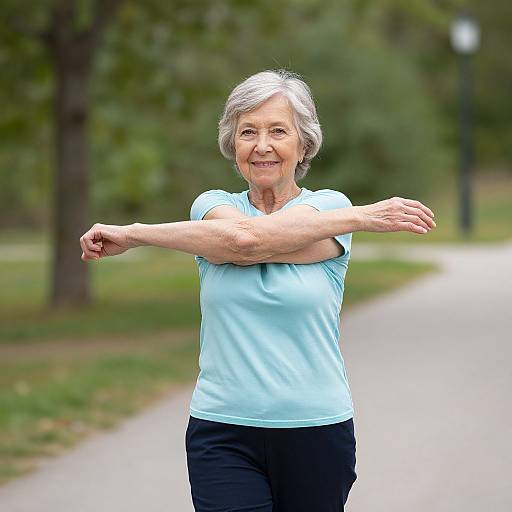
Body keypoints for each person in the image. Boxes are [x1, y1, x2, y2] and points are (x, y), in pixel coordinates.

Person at [79, 69, 436, 511]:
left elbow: (247, 243)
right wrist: (134, 234)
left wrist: (352, 216)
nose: (262, 145)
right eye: (248, 132)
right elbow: (245, 241)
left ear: (303, 144)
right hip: (222, 430)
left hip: (316, 430)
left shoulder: (329, 208)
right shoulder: (212, 207)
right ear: (233, 145)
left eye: (278, 131)